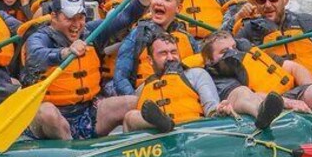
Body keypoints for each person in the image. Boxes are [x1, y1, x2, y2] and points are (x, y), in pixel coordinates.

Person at [21, 0, 158, 141]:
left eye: (80, 17)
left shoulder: (90, 32)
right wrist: (65, 52)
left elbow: (129, 16)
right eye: (69, 18)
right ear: (54, 17)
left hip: (87, 114)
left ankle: (132, 148)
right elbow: (37, 54)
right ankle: (71, 153)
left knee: (133, 102)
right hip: (51, 118)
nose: (76, 24)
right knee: (47, 112)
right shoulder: (39, 37)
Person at [122, 33, 284, 133]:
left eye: (173, 52)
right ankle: (160, 121)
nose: (170, 58)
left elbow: (210, 106)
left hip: (191, 130)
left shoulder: (195, 74)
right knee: (130, 116)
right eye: (163, 54)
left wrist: (218, 110)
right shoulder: (143, 88)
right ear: (150, 60)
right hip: (157, 136)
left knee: (242, 92)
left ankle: (261, 114)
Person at [113, 0, 199, 96]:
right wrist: (137, 101)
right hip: (148, 92)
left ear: (178, 8)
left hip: (179, 91)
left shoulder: (186, 36)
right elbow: (120, 78)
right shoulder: (138, 34)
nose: (159, 2)